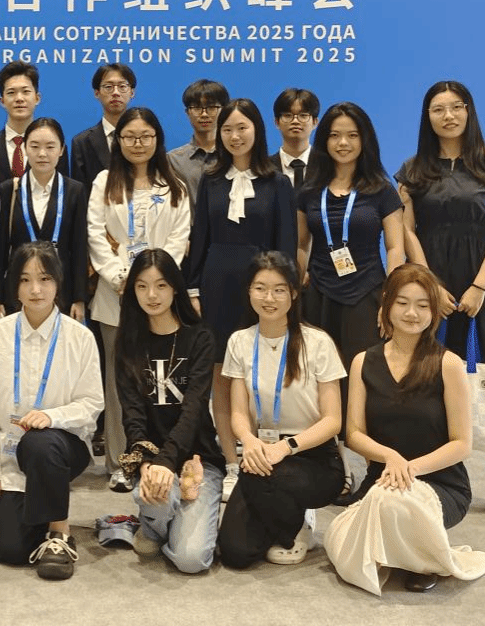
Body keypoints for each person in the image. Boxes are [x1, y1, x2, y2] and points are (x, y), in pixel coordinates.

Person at [396, 80, 485, 524]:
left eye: (456, 107)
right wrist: (429, 284)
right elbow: (407, 230)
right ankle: (428, 470)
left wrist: (479, 287)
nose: (448, 116)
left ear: (469, 112)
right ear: (427, 116)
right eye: (438, 109)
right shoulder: (413, 171)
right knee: (427, 375)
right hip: (430, 289)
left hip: (483, 286)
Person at [325, 263, 485, 594]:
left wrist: (410, 468)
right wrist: (391, 459)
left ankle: (424, 561)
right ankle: (412, 551)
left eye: (422, 305)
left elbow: (462, 443)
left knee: (393, 505)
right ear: (387, 305)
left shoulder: (448, 364)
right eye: (402, 303)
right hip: (381, 480)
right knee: (337, 535)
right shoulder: (363, 362)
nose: (412, 313)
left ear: (434, 311)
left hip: (440, 484)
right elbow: (354, 434)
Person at [0, 242, 103, 580]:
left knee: (40, 442)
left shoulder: (80, 337)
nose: (35, 290)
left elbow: (92, 403)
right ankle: (39, 515)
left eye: (45, 279)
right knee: (10, 550)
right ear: (14, 285)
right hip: (9, 452)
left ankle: (59, 533)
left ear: (58, 282)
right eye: (25, 280)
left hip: (63, 448)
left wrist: (52, 417)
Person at [187, 98, 297, 502]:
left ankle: (261, 454)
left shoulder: (277, 182)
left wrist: (282, 291)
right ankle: (232, 463)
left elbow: (286, 243)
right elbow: (200, 237)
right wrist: (193, 288)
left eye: (242, 128)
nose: (235, 136)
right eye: (227, 129)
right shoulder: (211, 180)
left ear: (257, 131)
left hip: (262, 287)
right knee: (221, 374)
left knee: (257, 374)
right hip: (217, 283)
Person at [296, 102, 404, 501]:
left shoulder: (381, 190)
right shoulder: (309, 191)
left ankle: (377, 470)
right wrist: (298, 279)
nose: (343, 143)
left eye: (352, 135)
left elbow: (395, 247)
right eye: (335, 135)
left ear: (365, 140)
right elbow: (301, 245)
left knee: (367, 385)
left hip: (367, 295)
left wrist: (390, 298)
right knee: (323, 386)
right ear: (325, 140)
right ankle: (336, 471)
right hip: (319, 298)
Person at [218, 252, 345, 568]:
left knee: (262, 478)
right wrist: (249, 441)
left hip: (312, 455)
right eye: (260, 288)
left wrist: (286, 448)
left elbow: (333, 420)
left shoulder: (318, 343)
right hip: (261, 452)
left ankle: (298, 526)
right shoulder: (239, 341)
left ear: (294, 293)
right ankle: (283, 516)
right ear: (249, 291)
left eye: (279, 289)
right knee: (235, 552)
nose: (269, 298)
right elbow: (238, 412)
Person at [88, 107, 190, 488]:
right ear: (119, 141)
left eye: (146, 136)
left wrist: (154, 282)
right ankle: (123, 460)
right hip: (115, 296)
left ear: (157, 139)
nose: (138, 143)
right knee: (120, 384)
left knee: (162, 380)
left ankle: (163, 456)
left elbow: (179, 238)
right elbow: (95, 234)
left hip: (161, 299)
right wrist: (122, 278)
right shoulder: (104, 182)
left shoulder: (174, 185)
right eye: (129, 136)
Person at [116, 249, 224, 573]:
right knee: (157, 495)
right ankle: (155, 524)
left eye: (161, 285)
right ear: (132, 291)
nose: (152, 295)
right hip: (151, 460)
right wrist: (149, 464)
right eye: (142, 286)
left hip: (198, 459)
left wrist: (169, 462)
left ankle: (162, 522)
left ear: (175, 288)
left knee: (192, 560)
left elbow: (193, 410)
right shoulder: (128, 342)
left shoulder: (199, 337)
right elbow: (132, 415)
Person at [0, 117, 89, 324]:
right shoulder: (9, 190)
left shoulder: (75, 190)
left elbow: (79, 248)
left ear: (61, 150)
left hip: (62, 290)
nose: (42, 154)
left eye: (50, 147)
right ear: (25, 148)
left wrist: (79, 298)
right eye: (34, 146)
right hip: (19, 289)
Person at [0, 60, 68, 184]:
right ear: (2, 101)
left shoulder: (53, 147)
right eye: (11, 93)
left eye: (26, 92)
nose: (19, 98)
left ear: (37, 98)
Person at [69, 63, 136, 187]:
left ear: (132, 92)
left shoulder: (145, 137)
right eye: (108, 87)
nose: (116, 92)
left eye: (122, 86)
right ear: (97, 93)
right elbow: (80, 193)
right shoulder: (82, 143)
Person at [167, 78, 229, 205]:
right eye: (197, 108)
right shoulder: (173, 160)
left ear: (223, 110)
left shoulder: (234, 155)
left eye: (211, 107)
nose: (204, 114)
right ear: (187, 113)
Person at [270, 88, 321, 188]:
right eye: (288, 115)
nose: (295, 121)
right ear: (276, 122)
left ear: (315, 122)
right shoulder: (263, 169)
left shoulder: (328, 166)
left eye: (303, 115)